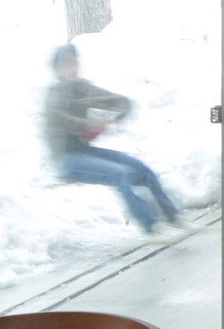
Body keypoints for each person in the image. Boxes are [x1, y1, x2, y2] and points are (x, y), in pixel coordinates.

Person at [42, 43, 182, 237]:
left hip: (85, 152)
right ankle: (152, 228)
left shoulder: (83, 88)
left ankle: (174, 218)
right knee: (120, 174)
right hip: (66, 160)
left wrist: (113, 116)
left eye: (75, 62)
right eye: (67, 65)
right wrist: (87, 125)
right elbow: (57, 117)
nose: (73, 67)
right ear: (57, 70)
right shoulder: (55, 93)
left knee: (142, 170)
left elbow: (121, 101)